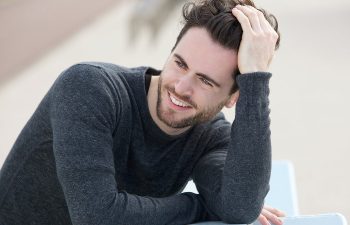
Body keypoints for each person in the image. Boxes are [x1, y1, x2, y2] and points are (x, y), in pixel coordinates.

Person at [0, 0, 284, 224]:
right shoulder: (88, 89)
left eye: (205, 81)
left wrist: (256, 81)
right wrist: (198, 205)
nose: (181, 87)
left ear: (233, 98)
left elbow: (240, 207)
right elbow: (98, 217)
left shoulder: (209, 137)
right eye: (180, 64)